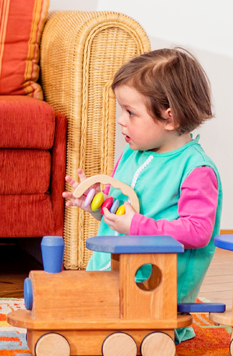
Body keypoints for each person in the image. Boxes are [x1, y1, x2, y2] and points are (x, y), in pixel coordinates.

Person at [63, 48, 221, 344]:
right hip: (113, 275)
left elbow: (198, 231)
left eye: (131, 112)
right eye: (121, 109)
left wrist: (137, 227)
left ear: (170, 118)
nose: (120, 120)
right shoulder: (132, 154)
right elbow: (122, 211)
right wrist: (98, 205)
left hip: (152, 288)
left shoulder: (196, 170)